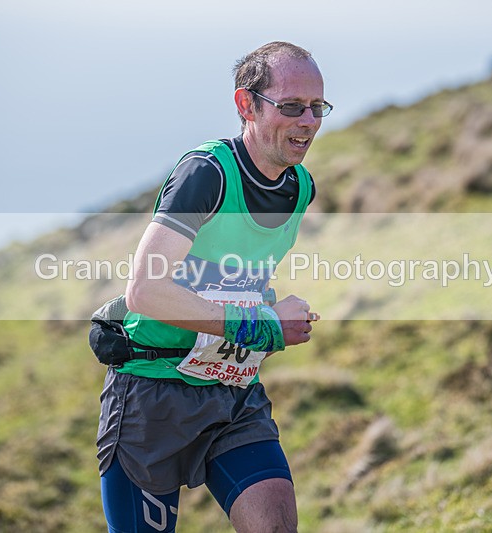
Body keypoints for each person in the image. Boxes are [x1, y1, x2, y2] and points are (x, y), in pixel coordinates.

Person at [95, 41, 332, 533]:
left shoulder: (299, 187)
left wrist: (266, 316)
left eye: (317, 107)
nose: (308, 121)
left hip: (232, 392)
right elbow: (146, 290)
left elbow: (237, 277)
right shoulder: (207, 174)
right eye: (291, 107)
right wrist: (263, 326)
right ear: (246, 105)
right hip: (151, 393)